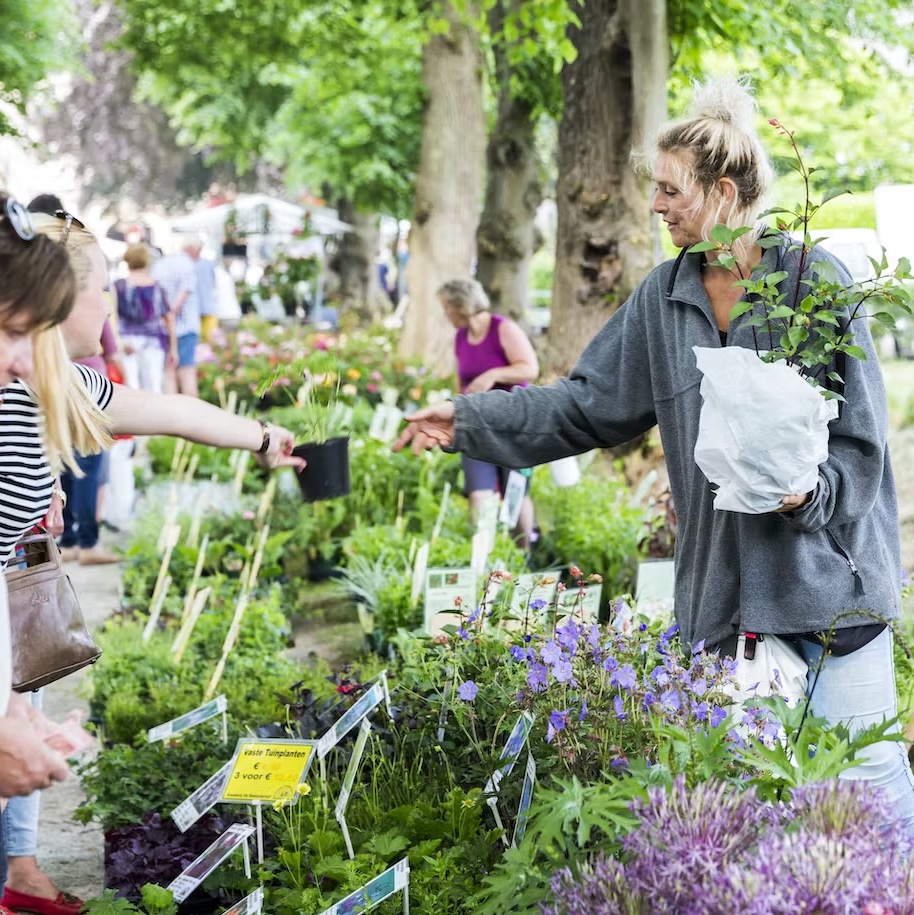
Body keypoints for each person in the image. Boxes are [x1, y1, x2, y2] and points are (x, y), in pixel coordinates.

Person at [395, 78, 914, 836]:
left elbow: (864, 443)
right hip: (728, 609)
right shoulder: (663, 298)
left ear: (723, 190)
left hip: (830, 593)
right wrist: (470, 417)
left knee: (870, 804)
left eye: (671, 190)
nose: (658, 206)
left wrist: (812, 493)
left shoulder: (813, 283)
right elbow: (582, 405)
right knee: (754, 823)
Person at [0, 209, 306, 915]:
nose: (109, 304)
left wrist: (261, 434)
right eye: (102, 288)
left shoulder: (56, 385)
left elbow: (174, 410)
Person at [437, 278, 539, 548]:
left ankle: (523, 556)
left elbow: (530, 369)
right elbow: (461, 383)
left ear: (461, 304)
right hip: (477, 426)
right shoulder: (460, 337)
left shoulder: (502, 329)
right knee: (479, 496)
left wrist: (493, 374)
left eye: (447, 307)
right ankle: (484, 561)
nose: (445, 313)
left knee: (515, 494)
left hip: (514, 425)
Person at [115, 243, 176, 394]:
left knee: (131, 387)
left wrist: (118, 343)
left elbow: (113, 318)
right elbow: (169, 318)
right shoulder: (157, 286)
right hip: (153, 341)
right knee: (154, 388)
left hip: (127, 340)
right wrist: (173, 348)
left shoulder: (118, 286)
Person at [151, 238, 200, 397]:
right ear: (195, 249)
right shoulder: (187, 266)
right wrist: (170, 315)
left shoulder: (161, 264)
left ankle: (172, 419)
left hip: (162, 328)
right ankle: (194, 418)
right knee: (187, 375)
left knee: (169, 375)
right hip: (184, 328)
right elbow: (180, 299)